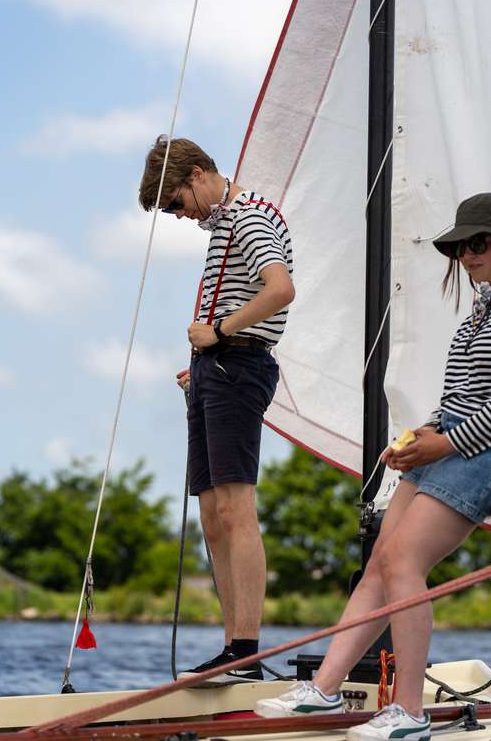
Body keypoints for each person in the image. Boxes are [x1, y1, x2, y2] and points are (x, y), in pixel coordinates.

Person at [255, 192, 491, 739]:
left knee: (402, 563)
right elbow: (460, 395)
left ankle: (410, 713)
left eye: (478, 242)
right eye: (459, 247)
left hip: (490, 451)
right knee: (380, 563)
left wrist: (444, 443)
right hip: (451, 442)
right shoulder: (482, 309)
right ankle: (325, 689)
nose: (466, 255)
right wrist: (420, 435)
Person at [139, 136, 295, 682]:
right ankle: (234, 649)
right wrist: (203, 360)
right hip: (216, 369)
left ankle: (245, 652)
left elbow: (280, 289)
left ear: (198, 175)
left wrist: (221, 334)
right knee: (211, 512)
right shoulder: (223, 225)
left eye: (176, 203)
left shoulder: (249, 216)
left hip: (238, 365)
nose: (180, 215)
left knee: (234, 508)